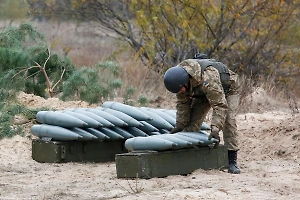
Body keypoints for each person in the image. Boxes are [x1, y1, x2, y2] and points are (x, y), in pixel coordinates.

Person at [163, 54, 241, 174]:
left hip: (228, 89)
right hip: (202, 92)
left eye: (180, 90)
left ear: (186, 83)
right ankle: (190, 155)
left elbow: (220, 105)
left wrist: (215, 130)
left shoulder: (208, 77)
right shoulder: (179, 78)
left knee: (228, 121)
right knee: (192, 123)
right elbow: (183, 104)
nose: (180, 93)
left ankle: (231, 160)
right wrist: (180, 125)